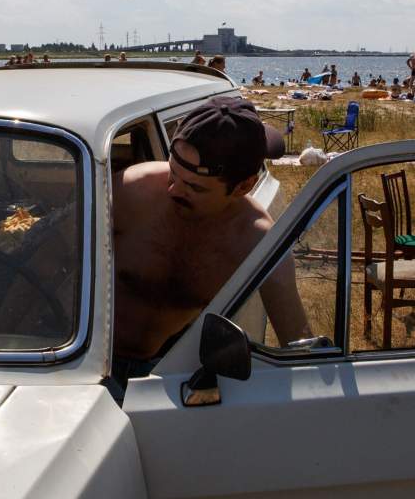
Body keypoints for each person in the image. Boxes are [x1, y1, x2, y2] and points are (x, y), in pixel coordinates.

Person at [111, 96, 313, 380]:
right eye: (173, 173)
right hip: (86, 358)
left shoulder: (255, 241)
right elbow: (50, 259)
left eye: (195, 187)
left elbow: (297, 344)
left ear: (243, 186)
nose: (173, 190)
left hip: (166, 371)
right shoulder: (131, 193)